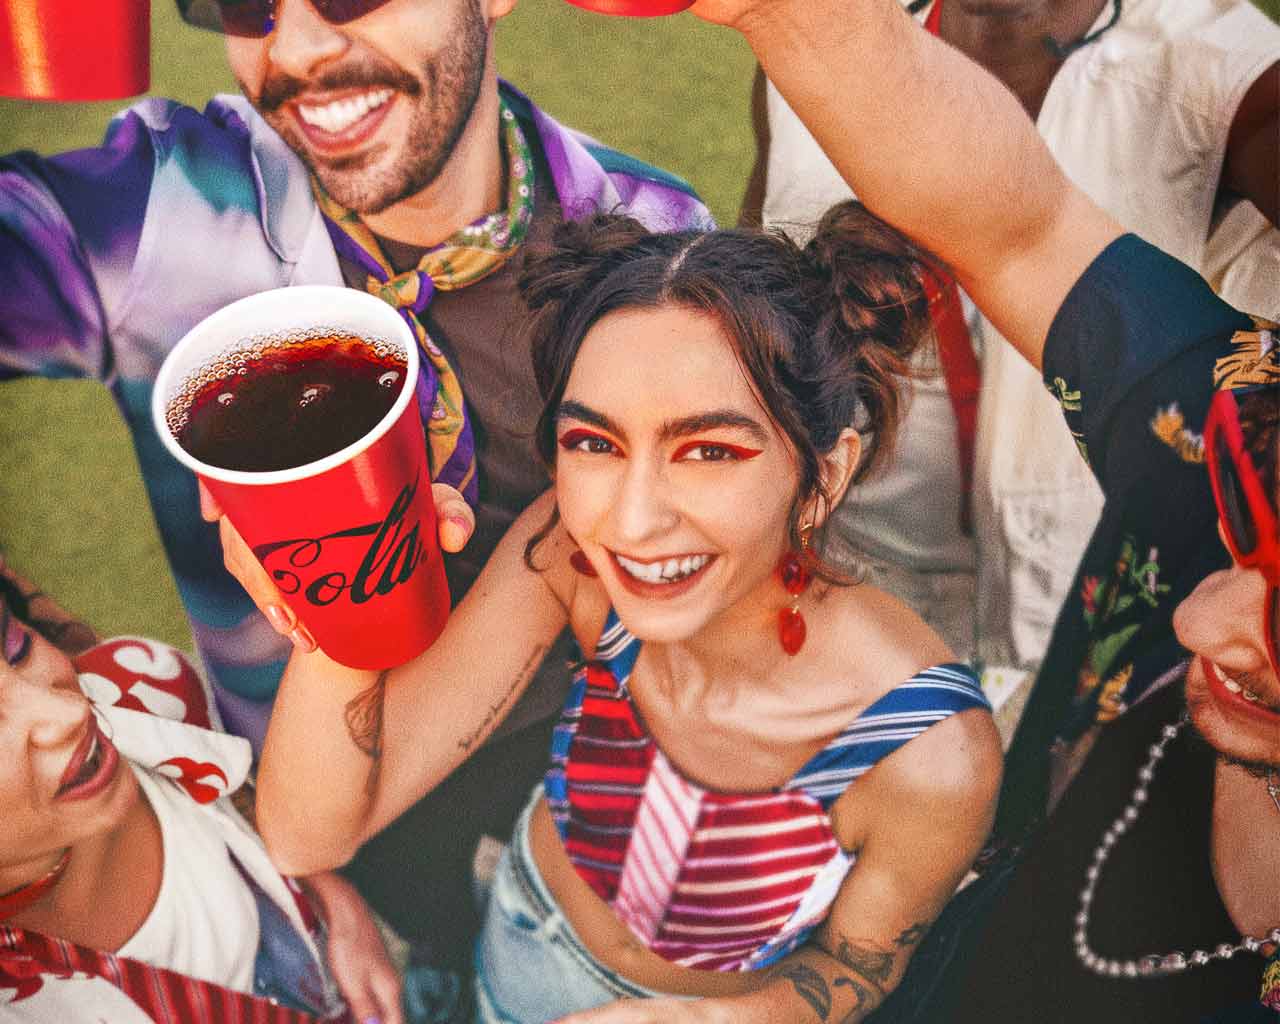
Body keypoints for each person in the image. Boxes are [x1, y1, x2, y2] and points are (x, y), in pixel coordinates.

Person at [0, 0, 710, 984]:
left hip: (603, 799)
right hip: (321, 835)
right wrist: (26, 635)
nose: (293, 49)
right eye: (240, 2)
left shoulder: (654, 237)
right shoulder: (167, 211)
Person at [214, 202, 1005, 1022]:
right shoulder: (573, 557)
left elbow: (857, 967)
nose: (629, 523)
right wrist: (341, 586)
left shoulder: (929, 752)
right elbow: (310, 838)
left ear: (824, 474)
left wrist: (697, 1019)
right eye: (595, 442)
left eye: (709, 451)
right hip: (509, 936)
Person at [679, 0, 1280, 1017]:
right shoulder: (1207, 458)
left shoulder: (1219, 75)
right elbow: (1020, 231)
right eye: (1251, 534)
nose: (1193, 615)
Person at [740, 0, 1280, 678]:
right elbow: (749, 312)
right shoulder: (814, 31)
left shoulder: (1229, 77)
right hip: (852, 591)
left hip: (1082, 632)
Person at [0, 575, 402, 1023]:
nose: (71, 712)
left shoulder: (142, 685)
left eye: (16, 647)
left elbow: (236, 792)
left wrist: (335, 902)